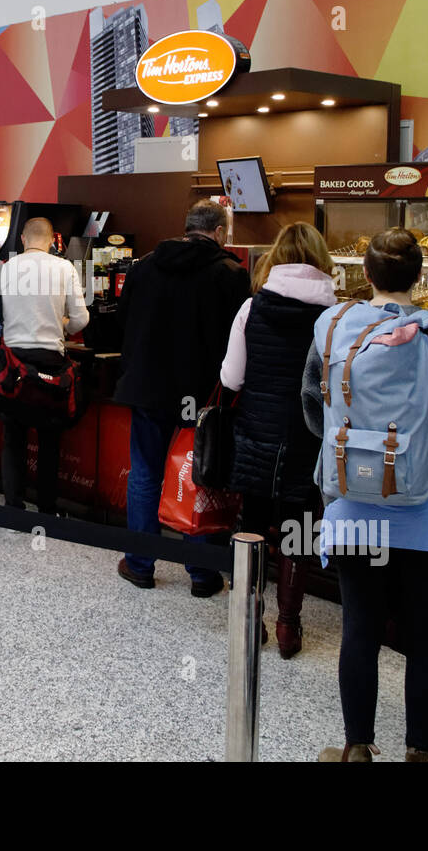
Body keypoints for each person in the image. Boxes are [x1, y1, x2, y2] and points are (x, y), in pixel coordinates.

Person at [302, 227, 428, 763]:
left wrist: (359, 449)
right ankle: (418, 754)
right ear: (420, 275)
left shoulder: (333, 326)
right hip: (425, 507)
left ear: (364, 275)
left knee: (359, 627)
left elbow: (313, 410)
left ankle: (357, 749)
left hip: (352, 504)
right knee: (426, 635)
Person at [114, 200, 251, 597]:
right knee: (201, 477)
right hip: (202, 394)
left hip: (148, 388)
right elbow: (237, 340)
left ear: (186, 226)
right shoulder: (230, 275)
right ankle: (203, 573)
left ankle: (140, 563)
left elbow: (123, 321)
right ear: (220, 232)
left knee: (145, 475)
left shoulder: (144, 267)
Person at [220, 222, 337, 658]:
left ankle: (251, 622)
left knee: (251, 527)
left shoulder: (252, 308)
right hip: (307, 440)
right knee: (299, 531)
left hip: (255, 435)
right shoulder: (332, 319)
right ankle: (289, 626)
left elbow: (232, 378)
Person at [0, 217, 89, 514]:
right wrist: (63, 323)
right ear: (51, 239)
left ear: (22, 239)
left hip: (13, 363)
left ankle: (12, 506)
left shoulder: (4, 270)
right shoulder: (64, 268)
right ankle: (47, 507)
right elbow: (81, 319)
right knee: (49, 438)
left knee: (13, 437)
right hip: (50, 364)